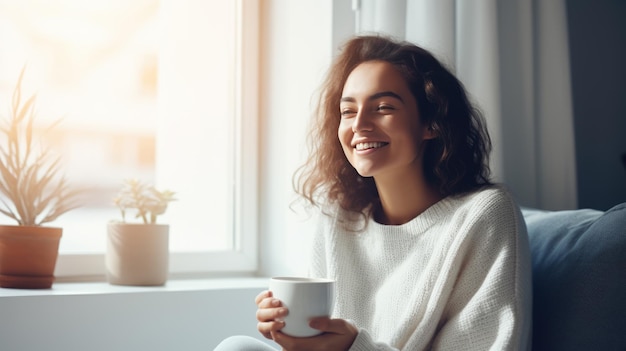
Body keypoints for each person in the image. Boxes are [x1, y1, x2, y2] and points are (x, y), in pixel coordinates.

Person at [215, 35, 532, 351]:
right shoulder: (338, 215)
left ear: (431, 122)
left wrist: (354, 348)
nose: (360, 124)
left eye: (383, 107)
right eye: (348, 111)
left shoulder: (484, 214)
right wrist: (292, 330)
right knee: (236, 347)